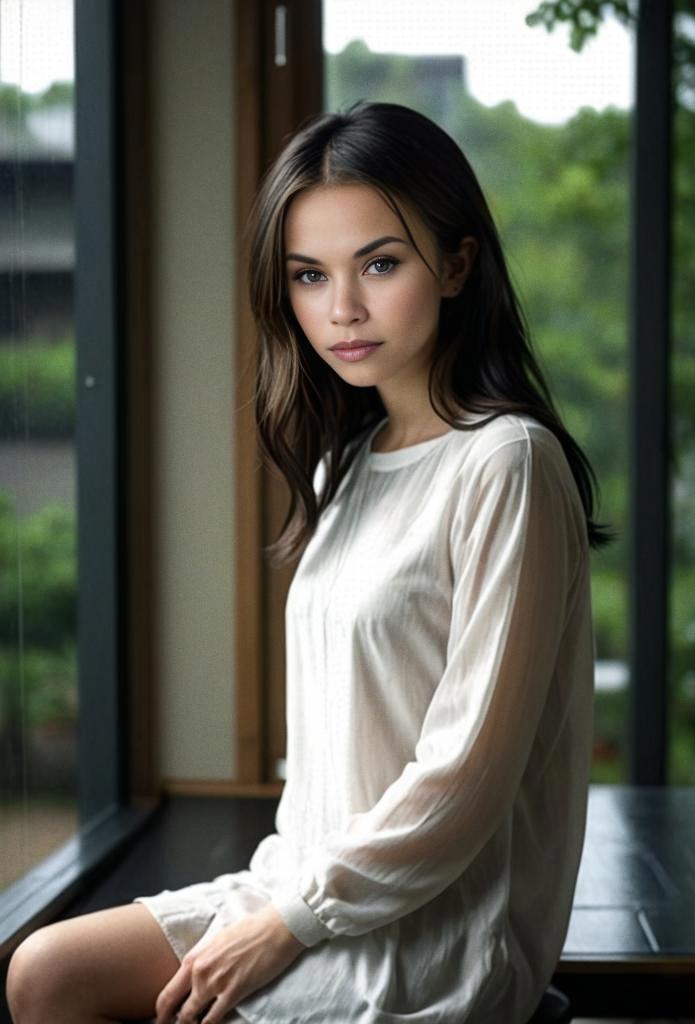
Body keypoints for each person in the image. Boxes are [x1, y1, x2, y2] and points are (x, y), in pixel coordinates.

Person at [6, 100, 607, 1024]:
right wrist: (280, 905)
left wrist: (291, 920)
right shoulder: (349, 461)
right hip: (304, 890)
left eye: (379, 263)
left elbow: (463, 780)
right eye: (309, 276)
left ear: (456, 262)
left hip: (435, 933)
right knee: (44, 973)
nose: (343, 309)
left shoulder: (506, 463)